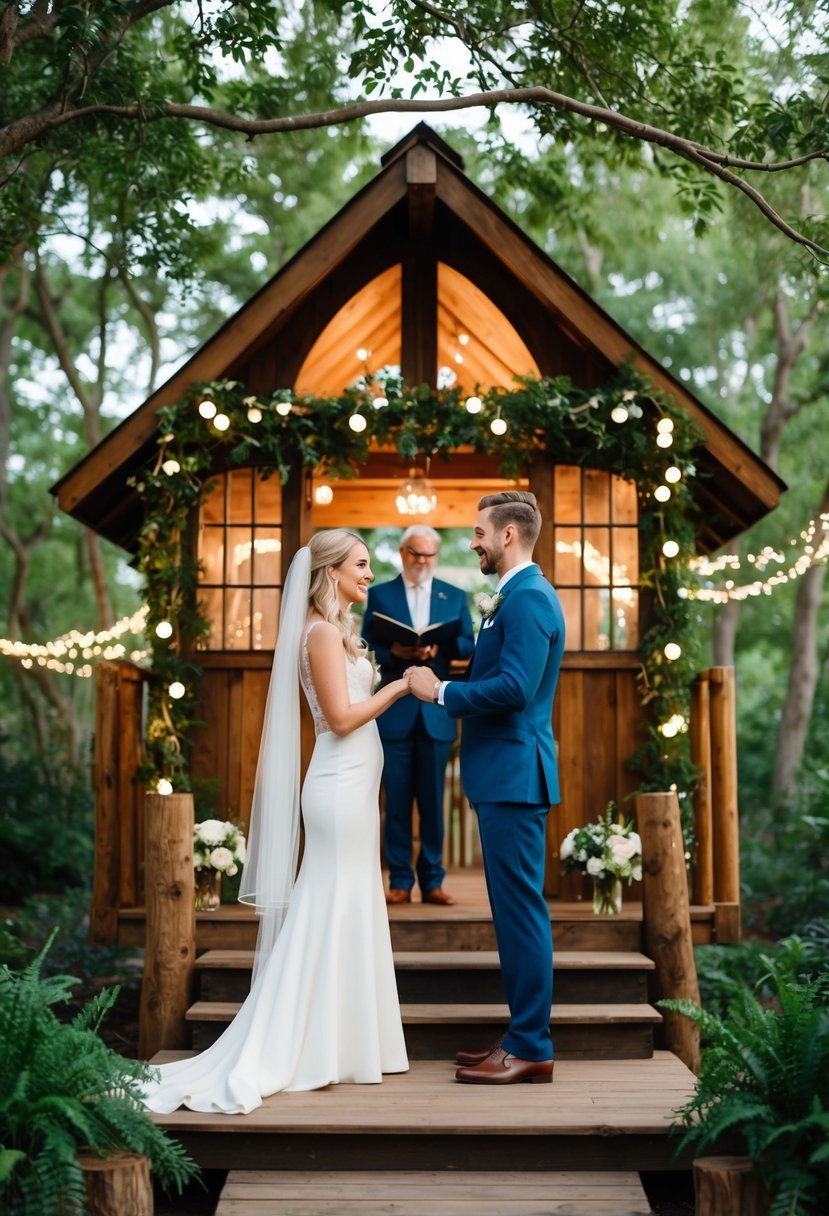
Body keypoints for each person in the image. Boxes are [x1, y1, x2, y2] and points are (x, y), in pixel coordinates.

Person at [142, 529, 410, 1114]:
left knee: (353, 901)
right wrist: (398, 688)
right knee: (329, 901)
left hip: (357, 788)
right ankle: (298, 1043)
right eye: (361, 565)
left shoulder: (339, 631)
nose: (370, 575)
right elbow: (340, 719)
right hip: (338, 788)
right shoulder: (317, 632)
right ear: (332, 571)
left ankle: (348, 1046)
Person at [407, 492, 565, 1085]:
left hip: (515, 777)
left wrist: (440, 693)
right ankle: (519, 1035)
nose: (471, 542)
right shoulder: (515, 597)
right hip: (503, 776)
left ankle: (530, 1045)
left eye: (477, 532)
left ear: (508, 536)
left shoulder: (527, 600)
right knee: (511, 912)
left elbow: (515, 690)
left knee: (521, 915)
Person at [362, 525, 474, 906]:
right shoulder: (380, 593)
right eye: (415, 553)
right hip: (393, 710)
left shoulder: (455, 595)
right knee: (394, 802)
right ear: (402, 551)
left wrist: (435, 648)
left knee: (432, 803)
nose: (421, 561)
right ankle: (399, 880)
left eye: (428, 555)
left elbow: (467, 642)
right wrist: (398, 652)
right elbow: (368, 644)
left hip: (435, 710)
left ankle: (432, 881)